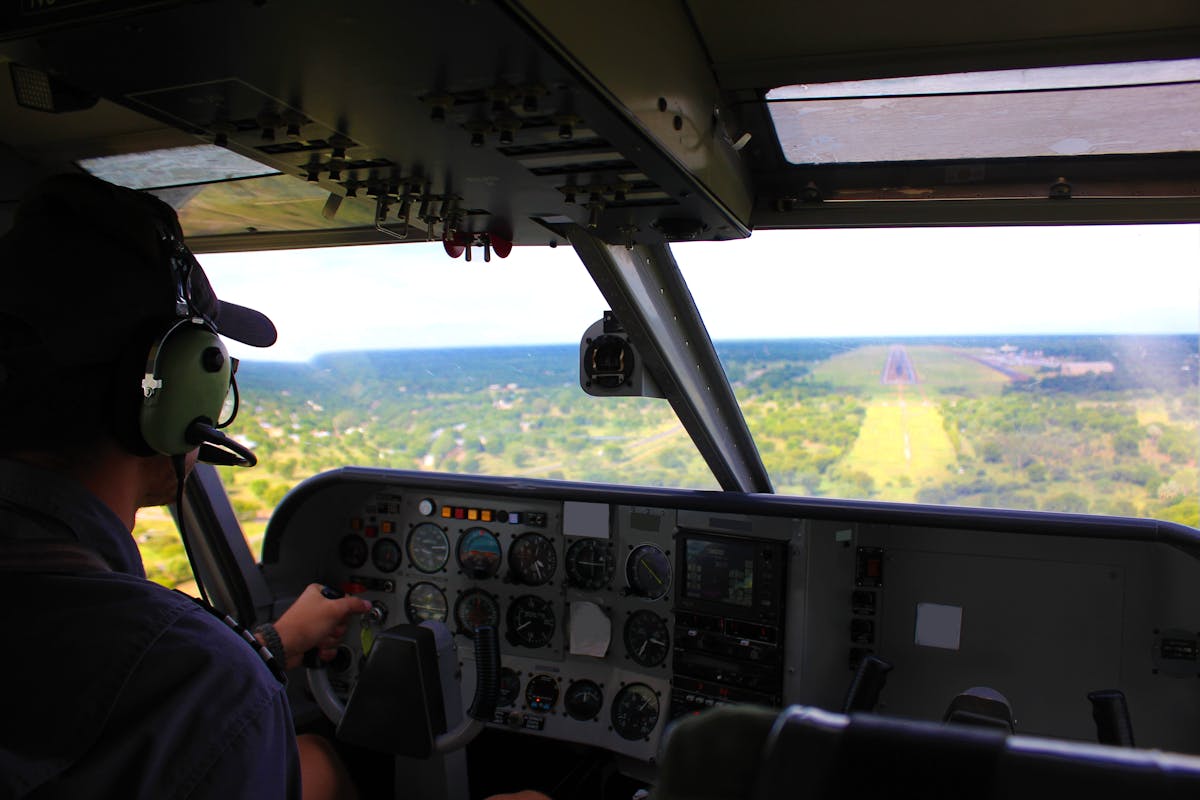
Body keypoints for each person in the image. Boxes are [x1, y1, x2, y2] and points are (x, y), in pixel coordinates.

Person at [0, 174, 547, 800]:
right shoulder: (193, 681)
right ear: (178, 388)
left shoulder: (163, 665)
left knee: (316, 759)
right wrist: (228, 668)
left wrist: (271, 645)